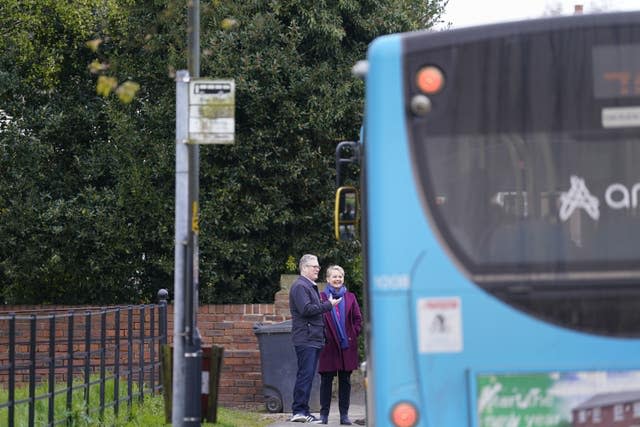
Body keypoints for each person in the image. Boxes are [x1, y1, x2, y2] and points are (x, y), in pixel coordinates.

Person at [289, 254, 341, 423]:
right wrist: (328, 305)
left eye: (318, 266)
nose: (318, 268)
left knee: (308, 375)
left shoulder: (309, 286)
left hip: (313, 338)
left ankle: (304, 411)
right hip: (306, 338)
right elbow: (306, 310)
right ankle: (298, 411)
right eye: (314, 266)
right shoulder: (299, 286)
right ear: (304, 268)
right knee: (305, 375)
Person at [317, 265, 363, 425]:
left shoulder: (350, 297)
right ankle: (324, 416)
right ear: (328, 279)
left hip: (346, 346)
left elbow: (358, 319)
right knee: (326, 382)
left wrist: (353, 334)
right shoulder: (321, 297)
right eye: (334, 276)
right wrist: (323, 336)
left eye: (340, 276)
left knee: (345, 382)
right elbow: (317, 319)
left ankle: (344, 416)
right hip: (328, 345)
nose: (337, 279)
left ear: (343, 278)